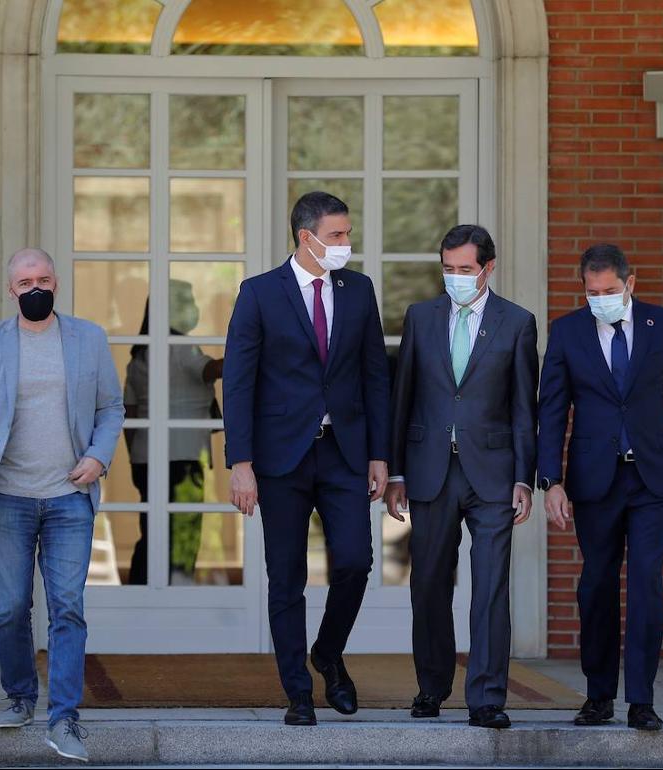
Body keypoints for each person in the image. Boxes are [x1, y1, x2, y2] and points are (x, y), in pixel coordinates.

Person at [223, 191, 390, 726]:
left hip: (344, 454)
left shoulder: (359, 290)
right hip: (281, 460)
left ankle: (328, 652)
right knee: (286, 575)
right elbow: (239, 381)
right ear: (306, 237)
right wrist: (240, 463)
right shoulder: (259, 294)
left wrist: (380, 455)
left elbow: (374, 376)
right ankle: (298, 691)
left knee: (356, 561)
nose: (346, 244)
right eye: (337, 235)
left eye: (346, 234)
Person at [0, 247, 124, 762]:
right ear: (11, 290)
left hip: (69, 497)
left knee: (68, 607)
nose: (35, 289)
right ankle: (21, 695)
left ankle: (64, 715)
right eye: (25, 281)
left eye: (43, 279)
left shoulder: (88, 338)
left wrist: (98, 458)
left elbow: (111, 407)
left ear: (56, 283)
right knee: (10, 608)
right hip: (7, 498)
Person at [537, 243, 663, 732]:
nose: (601, 299)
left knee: (646, 584)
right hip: (594, 481)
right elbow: (551, 410)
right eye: (592, 292)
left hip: (652, 477)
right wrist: (552, 480)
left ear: (631, 283)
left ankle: (643, 700)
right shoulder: (568, 331)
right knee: (597, 586)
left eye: (609, 290)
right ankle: (598, 695)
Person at [385, 224, 538, 729]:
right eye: (448, 269)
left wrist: (524, 477)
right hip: (430, 472)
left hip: (493, 475)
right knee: (428, 583)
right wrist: (397, 471)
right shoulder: (421, 318)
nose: (455, 278)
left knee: (491, 586)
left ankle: (488, 698)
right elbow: (402, 395)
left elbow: (523, 408)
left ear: (488, 268)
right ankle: (431, 687)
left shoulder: (516, 323)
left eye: (465, 270)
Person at [124, 280, 224, 585]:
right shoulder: (180, 347)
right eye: (187, 302)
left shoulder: (138, 356)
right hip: (182, 456)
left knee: (152, 534)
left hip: (146, 456)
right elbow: (210, 370)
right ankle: (176, 595)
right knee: (183, 532)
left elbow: (130, 413)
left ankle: (142, 593)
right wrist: (251, 352)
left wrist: (135, 458)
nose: (194, 309)